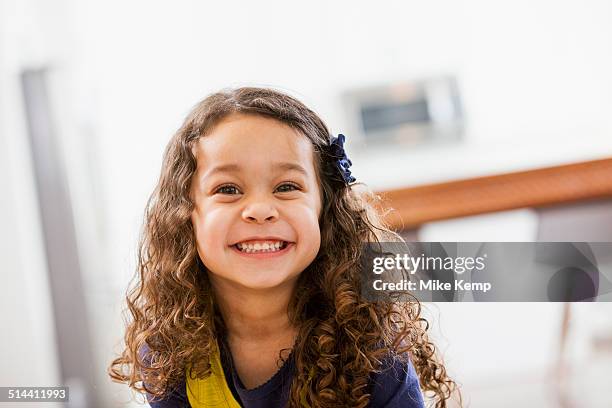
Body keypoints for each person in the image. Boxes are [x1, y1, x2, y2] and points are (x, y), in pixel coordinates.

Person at [109, 87, 459, 407]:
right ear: (185, 215)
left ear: (326, 208)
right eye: (228, 189)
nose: (260, 209)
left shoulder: (371, 345)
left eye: (287, 186)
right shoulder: (170, 354)